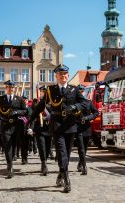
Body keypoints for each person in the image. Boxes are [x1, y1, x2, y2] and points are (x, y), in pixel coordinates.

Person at [29, 64, 87, 193]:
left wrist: (74, 107)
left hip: (70, 125)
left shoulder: (74, 89)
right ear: (56, 76)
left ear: (67, 75)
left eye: (65, 74)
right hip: (57, 125)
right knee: (61, 152)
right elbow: (40, 106)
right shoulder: (51, 90)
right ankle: (67, 179)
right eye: (60, 74)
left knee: (67, 151)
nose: (63, 76)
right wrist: (30, 119)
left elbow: (84, 103)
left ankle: (60, 174)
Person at [0, 80, 27, 178]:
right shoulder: (0, 99)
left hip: (16, 126)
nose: (10, 89)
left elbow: (25, 111)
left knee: (14, 145)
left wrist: (16, 113)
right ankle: (10, 166)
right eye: (8, 87)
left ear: (14, 88)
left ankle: (11, 162)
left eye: (12, 87)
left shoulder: (19, 99)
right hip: (5, 126)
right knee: (8, 146)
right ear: (6, 88)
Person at [76, 85, 99, 175]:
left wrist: (88, 117)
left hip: (86, 128)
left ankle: (80, 163)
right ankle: (84, 166)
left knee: (84, 148)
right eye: (80, 92)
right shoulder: (74, 103)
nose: (81, 93)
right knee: (81, 148)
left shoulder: (88, 102)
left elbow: (96, 113)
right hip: (78, 128)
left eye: (82, 91)